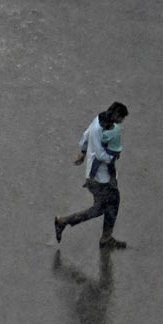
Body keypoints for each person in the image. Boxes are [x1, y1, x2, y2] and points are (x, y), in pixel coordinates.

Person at [54, 102, 129, 249]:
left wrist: (83, 152)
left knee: (104, 206)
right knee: (109, 204)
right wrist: (114, 156)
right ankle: (64, 222)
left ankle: (66, 223)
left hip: (94, 176)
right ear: (116, 115)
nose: (121, 122)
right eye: (121, 118)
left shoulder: (98, 120)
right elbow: (101, 155)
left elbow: (85, 136)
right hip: (101, 178)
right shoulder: (99, 129)